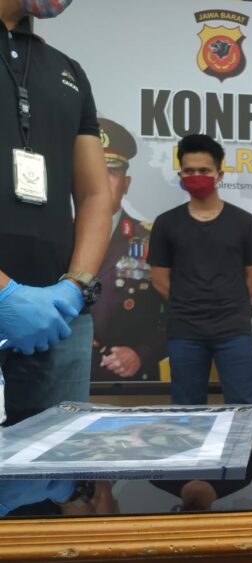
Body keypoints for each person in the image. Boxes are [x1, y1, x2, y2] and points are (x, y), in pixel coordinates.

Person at [0, 0, 111, 425]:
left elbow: (95, 194)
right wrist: (4, 293)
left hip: (61, 316)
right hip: (11, 301)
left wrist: (75, 287)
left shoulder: (68, 70)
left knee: (56, 455)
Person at [148, 134, 252, 405]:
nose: (196, 176)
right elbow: (159, 281)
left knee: (244, 406)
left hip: (234, 330)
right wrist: (188, 306)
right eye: (189, 171)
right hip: (184, 332)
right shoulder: (165, 224)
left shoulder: (245, 223)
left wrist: (227, 303)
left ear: (219, 175)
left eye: (204, 170)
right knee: (187, 410)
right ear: (180, 175)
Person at [91, 118, 166, 382]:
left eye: (111, 172)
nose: (101, 182)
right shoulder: (58, 236)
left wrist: (142, 353)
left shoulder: (152, 238)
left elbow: (182, 310)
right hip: (64, 373)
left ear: (126, 183)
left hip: (130, 378)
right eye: (93, 172)